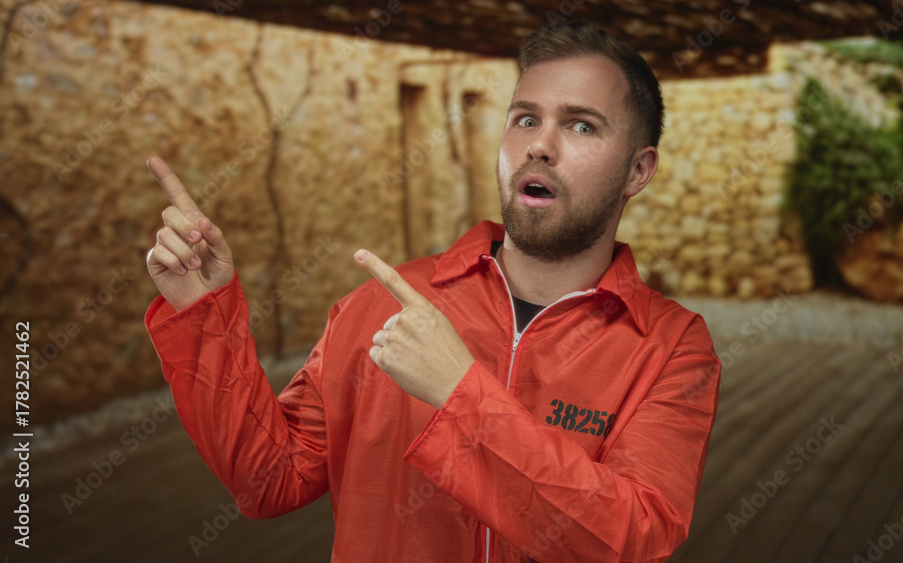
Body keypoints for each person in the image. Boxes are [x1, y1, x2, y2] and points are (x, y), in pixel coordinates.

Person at [144, 20, 721, 563]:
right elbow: (269, 480)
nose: (540, 146)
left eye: (580, 125)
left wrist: (459, 392)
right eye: (524, 118)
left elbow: (632, 537)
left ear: (637, 171)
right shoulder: (381, 305)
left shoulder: (672, 349)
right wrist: (203, 314)